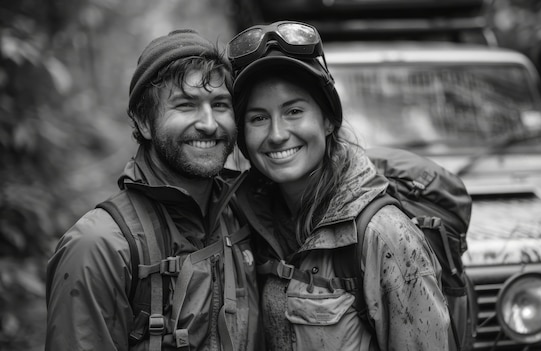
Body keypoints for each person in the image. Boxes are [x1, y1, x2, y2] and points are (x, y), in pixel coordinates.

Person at [228, 21, 450, 350]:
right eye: (258, 117)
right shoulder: (245, 224)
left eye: (293, 111)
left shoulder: (383, 235)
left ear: (329, 120)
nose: (276, 134)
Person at [46, 29, 260, 351]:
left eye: (219, 104)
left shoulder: (245, 216)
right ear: (145, 123)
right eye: (186, 105)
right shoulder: (99, 247)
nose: (208, 123)